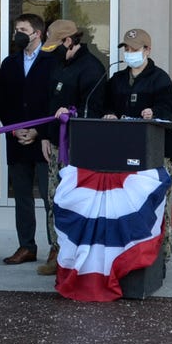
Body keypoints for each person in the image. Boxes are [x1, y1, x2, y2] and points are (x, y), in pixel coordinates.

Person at [104, 28, 172, 261]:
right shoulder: (116, 80)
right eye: (126, 49)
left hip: (158, 154)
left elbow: (169, 111)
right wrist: (109, 114)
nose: (129, 53)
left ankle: (160, 258)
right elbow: (106, 106)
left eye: (134, 49)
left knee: (159, 208)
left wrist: (154, 112)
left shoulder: (160, 79)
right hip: (126, 154)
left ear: (147, 50)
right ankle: (131, 257)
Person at [38, 19, 106, 275]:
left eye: (56, 45)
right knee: (54, 198)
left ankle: (74, 255)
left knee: (74, 202)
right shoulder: (58, 64)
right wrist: (46, 135)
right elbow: (50, 102)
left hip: (78, 150)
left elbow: (93, 113)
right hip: (55, 145)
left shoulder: (92, 69)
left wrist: (72, 117)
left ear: (69, 41)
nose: (53, 51)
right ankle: (56, 250)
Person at [0, 14, 55, 265]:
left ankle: (56, 247)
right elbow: (4, 102)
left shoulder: (52, 62)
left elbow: (56, 102)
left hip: (43, 142)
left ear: (37, 34)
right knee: (22, 196)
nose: (17, 33)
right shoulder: (9, 63)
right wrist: (13, 128)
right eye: (15, 29)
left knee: (50, 196)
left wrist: (39, 131)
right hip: (17, 140)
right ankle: (26, 246)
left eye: (22, 29)